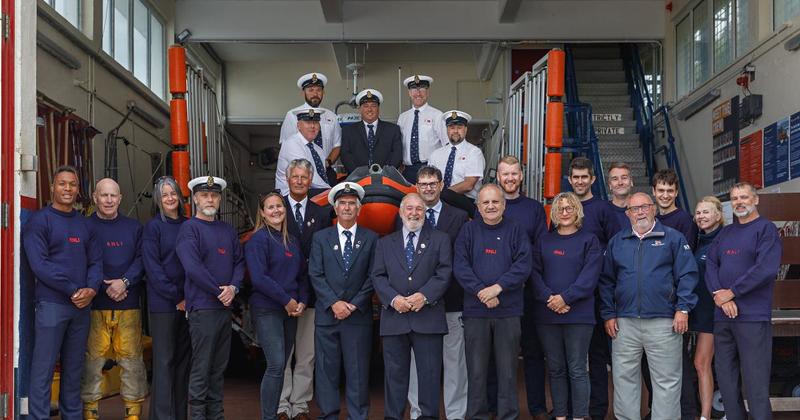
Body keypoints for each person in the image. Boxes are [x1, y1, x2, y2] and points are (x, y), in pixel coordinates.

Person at [599, 192, 698, 420]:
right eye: (635, 209)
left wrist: (682, 309)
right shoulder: (617, 241)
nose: (640, 212)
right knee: (623, 379)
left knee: (666, 381)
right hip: (624, 324)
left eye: (645, 207)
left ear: (653, 208)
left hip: (664, 323)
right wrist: (608, 314)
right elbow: (606, 281)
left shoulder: (673, 238)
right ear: (628, 214)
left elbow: (688, 275)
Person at [23, 166, 103, 420]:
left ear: (78, 189)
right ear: (52, 188)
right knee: (43, 371)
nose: (67, 189)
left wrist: (91, 289)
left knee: (73, 370)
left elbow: (96, 262)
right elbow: (40, 264)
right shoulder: (40, 220)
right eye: (62, 184)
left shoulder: (85, 224)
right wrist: (74, 290)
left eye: (72, 184)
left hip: (81, 308)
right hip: (51, 306)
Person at [454, 184, 532, 420]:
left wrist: (498, 288)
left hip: (508, 311)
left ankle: (507, 415)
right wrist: (481, 292)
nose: (490, 206)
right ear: (477, 206)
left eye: (495, 202)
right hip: (476, 312)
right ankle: (477, 415)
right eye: (485, 202)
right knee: (476, 371)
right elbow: (461, 266)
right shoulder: (467, 231)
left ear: (504, 205)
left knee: (507, 371)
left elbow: (523, 265)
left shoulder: (516, 230)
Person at [372, 193, 452, 420]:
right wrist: (394, 299)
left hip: (428, 319)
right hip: (395, 319)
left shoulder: (440, 239)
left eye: (419, 209)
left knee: (429, 377)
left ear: (425, 214)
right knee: (394, 378)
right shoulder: (385, 243)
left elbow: (444, 272)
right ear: (400, 211)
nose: (414, 213)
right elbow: (377, 276)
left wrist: (424, 296)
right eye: (409, 208)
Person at [706, 182, 782, 420]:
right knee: (727, 382)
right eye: (734, 198)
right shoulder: (726, 233)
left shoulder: (766, 229)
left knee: (755, 382)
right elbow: (710, 264)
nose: (739, 202)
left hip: (752, 317)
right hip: (722, 318)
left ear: (755, 200)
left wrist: (733, 292)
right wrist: (720, 295)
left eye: (744, 197)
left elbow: (766, 269)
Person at [176, 175, 245, 419]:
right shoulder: (189, 229)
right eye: (204, 195)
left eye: (214, 195)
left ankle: (217, 416)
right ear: (195, 198)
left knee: (217, 370)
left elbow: (239, 262)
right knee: (201, 369)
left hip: (224, 310)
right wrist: (220, 291)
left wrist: (234, 288)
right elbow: (193, 268)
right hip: (203, 309)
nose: (210, 199)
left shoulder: (227, 230)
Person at [405, 166, 469, 420]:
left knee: (455, 364)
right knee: (417, 364)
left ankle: (455, 415)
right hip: (417, 305)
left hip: (451, 301)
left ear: (442, 185)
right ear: (416, 188)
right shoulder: (407, 215)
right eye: (423, 184)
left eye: (433, 183)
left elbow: (461, 260)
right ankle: (418, 413)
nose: (428, 188)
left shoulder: (460, 216)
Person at [309, 182, 378, 420]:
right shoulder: (321, 238)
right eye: (343, 204)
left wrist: (353, 304)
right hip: (328, 315)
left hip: (357, 316)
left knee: (358, 372)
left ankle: (358, 416)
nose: (347, 208)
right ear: (335, 209)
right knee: (327, 371)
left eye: (352, 204)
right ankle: (329, 414)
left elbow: (374, 275)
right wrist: (334, 303)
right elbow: (315, 274)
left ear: (359, 209)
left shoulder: (371, 238)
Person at [531, 192, 602, 420]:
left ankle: (579, 416)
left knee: (578, 369)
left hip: (579, 316)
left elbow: (589, 278)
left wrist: (565, 298)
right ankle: (560, 416)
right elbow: (534, 273)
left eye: (569, 208)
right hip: (547, 315)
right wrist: (549, 298)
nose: (564, 212)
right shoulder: (544, 241)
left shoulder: (589, 240)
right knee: (556, 369)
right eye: (560, 208)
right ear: (553, 212)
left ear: (577, 211)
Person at [80, 178, 146, 420]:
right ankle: (90, 415)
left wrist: (124, 282)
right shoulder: (84, 226)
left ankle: (133, 416)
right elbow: (80, 261)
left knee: (132, 363)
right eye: (103, 195)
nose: (108, 200)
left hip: (128, 305)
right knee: (92, 364)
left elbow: (142, 260)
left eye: (113, 195)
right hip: (93, 306)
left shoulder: (134, 227)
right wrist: (101, 285)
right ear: (95, 198)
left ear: (120, 198)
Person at [566, 156, 621, 420]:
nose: (579, 181)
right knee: (570, 357)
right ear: (569, 179)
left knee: (596, 354)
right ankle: (570, 408)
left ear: (593, 179)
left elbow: (614, 247)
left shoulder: (603, 209)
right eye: (575, 177)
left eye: (584, 177)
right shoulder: (563, 207)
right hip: (567, 293)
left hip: (597, 292)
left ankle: (597, 409)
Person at [245, 192, 308, 420]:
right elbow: (259, 278)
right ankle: (268, 416)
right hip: (268, 309)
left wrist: (301, 301)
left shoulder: (292, 240)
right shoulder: (258, 240)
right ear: (262, 212)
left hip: (290, 311)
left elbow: (302, 276)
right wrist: (287, 300)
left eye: (279, 206)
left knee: (281, 367)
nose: (275, 211)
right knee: (276, 364)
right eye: (270, 207)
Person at [278, 159, 332, 420]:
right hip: (282, 295)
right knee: (282, 354)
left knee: (306, 353)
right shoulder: (276, 209)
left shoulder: (321, 213)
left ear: (311, 181)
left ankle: (299, 404)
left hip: (310, 294)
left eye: (304, 177)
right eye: (295, 177)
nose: (299, 181)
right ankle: (281, 404)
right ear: (287, 179)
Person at [495, 155, 549, 420]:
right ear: (498, 177)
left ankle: (537, 408)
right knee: (495, 355)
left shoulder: (534, 209)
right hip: (495, 295)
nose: (510, 178)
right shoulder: (489, 206)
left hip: (526, 291)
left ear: (521, 176)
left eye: (514, 173)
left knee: (532, 352)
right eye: (505, 174)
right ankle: (496, 407)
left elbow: (539, 251)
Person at [143, 176, 191, 420]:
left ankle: (180, 415)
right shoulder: (154, 227)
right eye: (165, 195)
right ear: (158, 200)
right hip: (164, 305)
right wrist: (176, 297)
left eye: (173, 193)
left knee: (183, 365)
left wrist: (188, 297)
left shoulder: (189, 224)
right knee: (164, 363)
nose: (170, 198)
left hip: (190, 304)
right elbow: (153, 270)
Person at [690, 196, 725, 420]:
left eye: (706, 212)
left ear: (718, 215)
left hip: (713, 313)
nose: (701, 216)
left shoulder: (723, 241)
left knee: (701, 362)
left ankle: (705, 416)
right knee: (700, 363)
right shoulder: (699, 240)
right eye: (699, 212)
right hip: (697, 310)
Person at [280, 72, 341, 184]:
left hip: (325, 170)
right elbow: (286, 145)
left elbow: (337, 145)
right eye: (311, 90)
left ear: (323, 92)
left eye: (318, 90)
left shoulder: (331, 116)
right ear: (303, 92)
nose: (315, 94)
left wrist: (327, 162)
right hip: (300, 174)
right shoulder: (292, 115)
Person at [428, 110, 485, 216]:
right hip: (439, 202)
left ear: (466, 129)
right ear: (447, 130)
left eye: (459, 127)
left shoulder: (474, 152)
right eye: (452, 127)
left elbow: (468, 185)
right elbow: (429, 181)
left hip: (465, 202)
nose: (455, 131)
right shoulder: (435, 155)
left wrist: (441, 194)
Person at [397, 75, 448, 183]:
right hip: (408, 171)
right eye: (414, 89)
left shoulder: (437, 115)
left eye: (422, 89)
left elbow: (447, 145)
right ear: (409, 93)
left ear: (427, 92)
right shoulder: (403, 117)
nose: (418, 93)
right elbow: (399, 145)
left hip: (430, 170)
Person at [340, 89, 403, 174]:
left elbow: (397, 155)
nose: (369, 109)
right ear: (360, 109)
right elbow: (345, 156)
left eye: (373, 105)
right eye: (365, 106)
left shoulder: (393, 130)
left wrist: (384, 173)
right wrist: (359, 174)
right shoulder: (348, 131)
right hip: (358, 180)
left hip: (386, 179)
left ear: (378, 108)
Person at [276, 108, 332, 196]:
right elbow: (308, 174)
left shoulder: (318, 150)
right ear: (298, 126)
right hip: (289, 199)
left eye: (316, 122)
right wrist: (332, 191)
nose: (313, 126)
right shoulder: (291, 143)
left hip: (312, 196)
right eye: (308, 122)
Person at [652, 169, 698, 248]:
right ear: (653, 191)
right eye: (661, 190)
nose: (665, 196)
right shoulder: (653, 221)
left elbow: (686, 256)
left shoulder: (686, 220)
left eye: (670, 191)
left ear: (676, 192)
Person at [607, 161, 635, 229]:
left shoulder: (642, 210)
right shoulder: (604, 211)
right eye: (615, 179)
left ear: (631, 182)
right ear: (610, 185)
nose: (620, 183)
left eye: (624, 178)